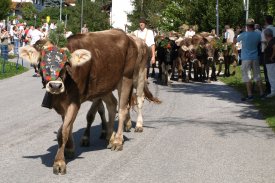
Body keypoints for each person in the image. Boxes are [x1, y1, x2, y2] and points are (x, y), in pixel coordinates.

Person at [236, 18, 265, 101]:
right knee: (257, 76)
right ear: (253, 25)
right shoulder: (257, 35)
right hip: (255, 57)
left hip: (246, 58)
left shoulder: (244, 34)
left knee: (247, 77)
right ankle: (262, 93)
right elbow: (260, 42)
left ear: (247, 26)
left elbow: (235, 41)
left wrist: (237, 33)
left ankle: (250, 95)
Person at [261, 15, 275, 95]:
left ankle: (269, 89)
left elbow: (264, 41)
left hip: (268, 52)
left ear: (266, 21)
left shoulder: (265, 30)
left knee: (268, 72)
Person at [263, 28, 275, 98]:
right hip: (270, 62)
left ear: (266, 35)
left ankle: (273, 91)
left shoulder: (272, 41)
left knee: (271, 77)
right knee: (272, 76)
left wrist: (272, 57)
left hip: (270, 62)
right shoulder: (271, 40)